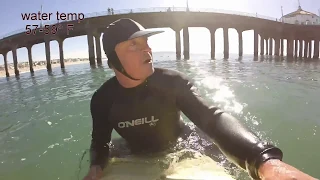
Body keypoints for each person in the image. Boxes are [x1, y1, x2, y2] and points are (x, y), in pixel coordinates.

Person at [83, 18, 317, 180]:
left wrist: (264, 161)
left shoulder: (172, 82)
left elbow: (212, 118)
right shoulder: (103, 99)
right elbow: (100, 141)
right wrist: (96, 165)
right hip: (133, 152)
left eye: (146, 43)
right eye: (134, 45)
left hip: (184, 146)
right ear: (113, 60)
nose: (147, 50)